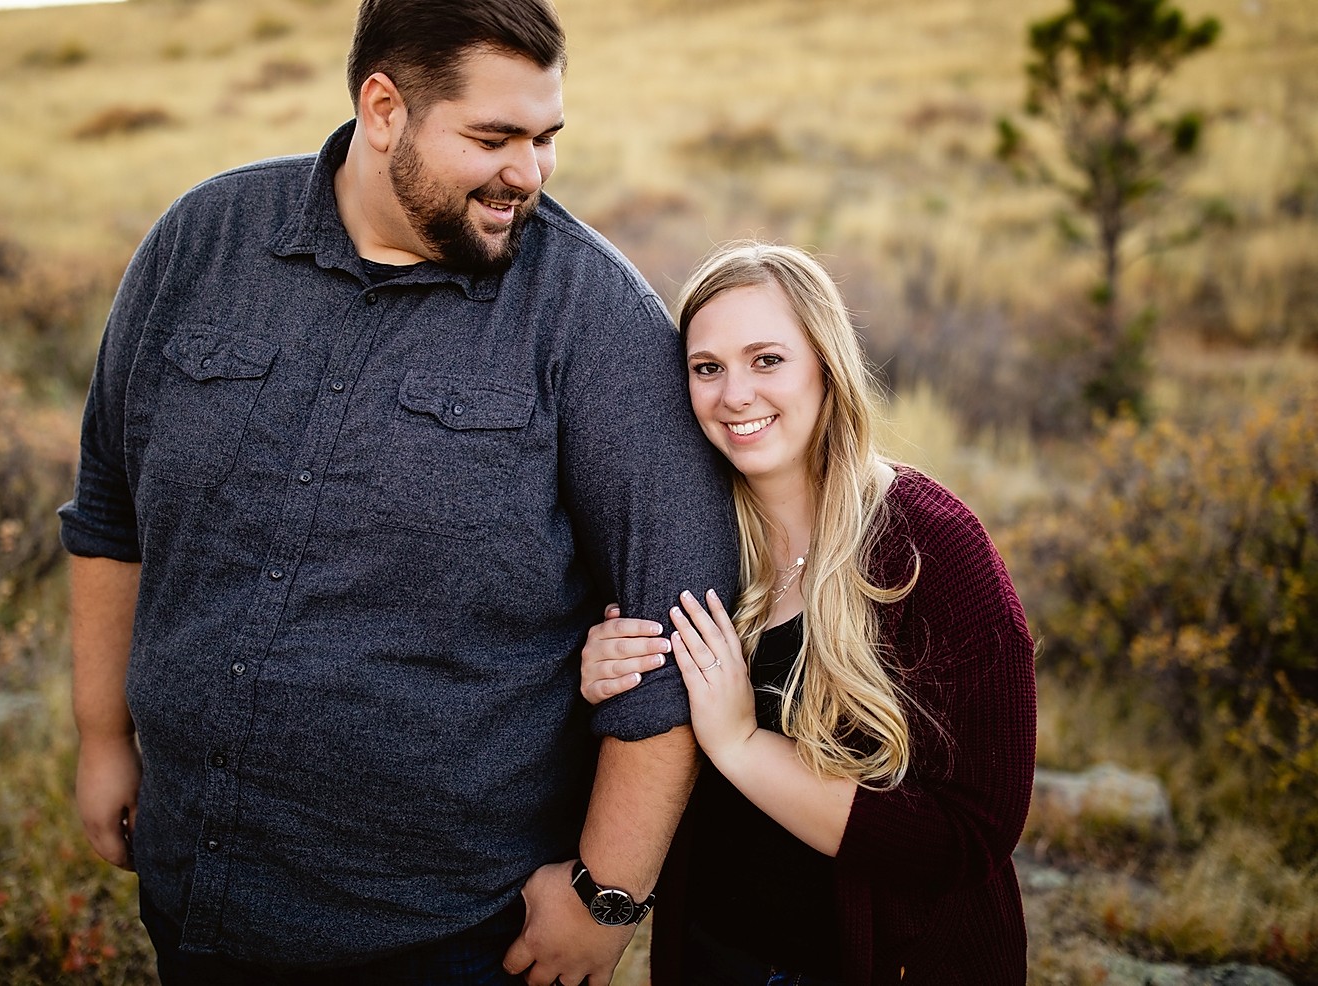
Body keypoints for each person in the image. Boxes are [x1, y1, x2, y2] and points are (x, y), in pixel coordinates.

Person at [57, 1, 737, 983]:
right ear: (383, 109)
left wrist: (607, 891)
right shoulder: (200, 246)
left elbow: (682, 632)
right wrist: (100, 735)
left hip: (452, 935)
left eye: (546, 139)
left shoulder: (592, 320)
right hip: (196, 892)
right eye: (494, 137)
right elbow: (108, 507)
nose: (529, 174)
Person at [580, 242, 1037, 985]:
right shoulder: (691, 542)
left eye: (767, 360)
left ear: (826, 366)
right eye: (707, 368)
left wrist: (741, 743)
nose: (735, 395)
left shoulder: (932, 548)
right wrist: (603, 676)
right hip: (712, 953)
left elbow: (970, 837)